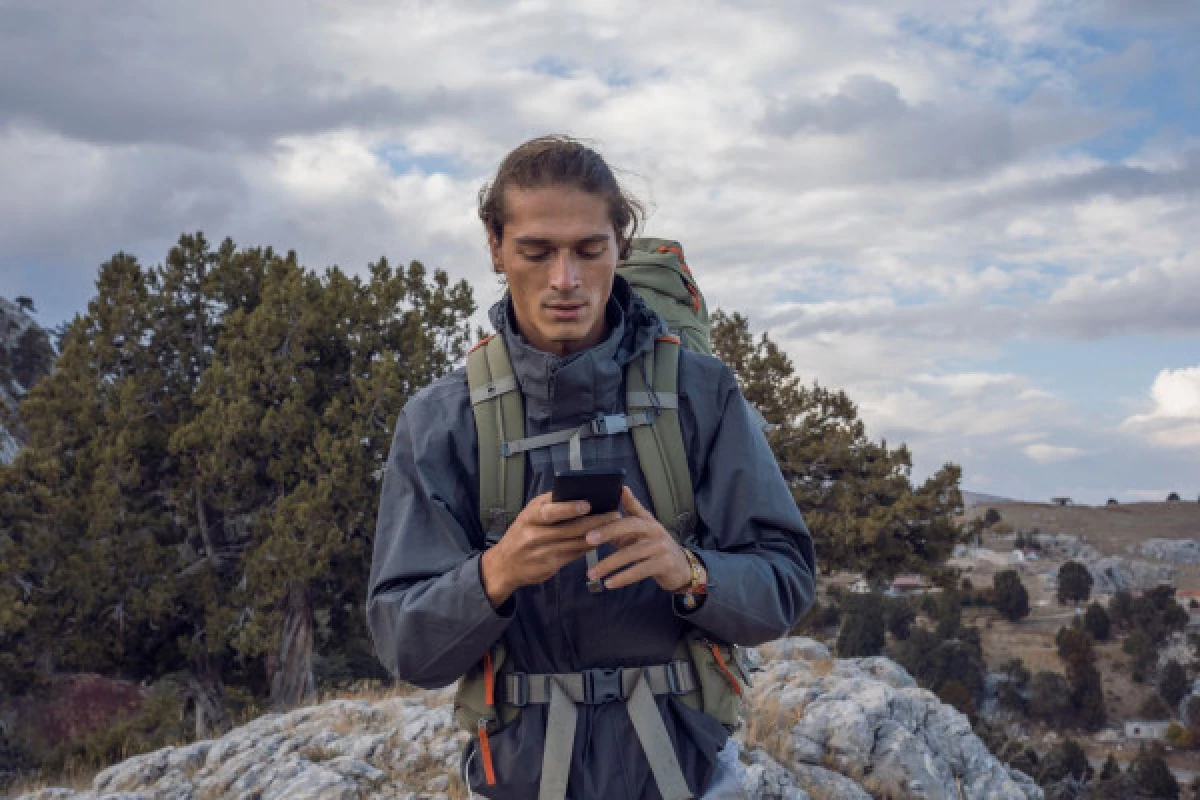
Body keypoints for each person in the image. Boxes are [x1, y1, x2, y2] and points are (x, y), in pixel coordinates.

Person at [367, 135, 816, 799]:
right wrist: (498, 573)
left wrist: (688, 570)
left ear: (621, 245)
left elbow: (785, 584)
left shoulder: (701, 393)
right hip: (517, 778)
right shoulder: (442, 419)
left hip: (684, 774)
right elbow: (407, 646)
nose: (565, 280)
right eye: (537, 251)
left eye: (588, 249)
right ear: (496, 247)